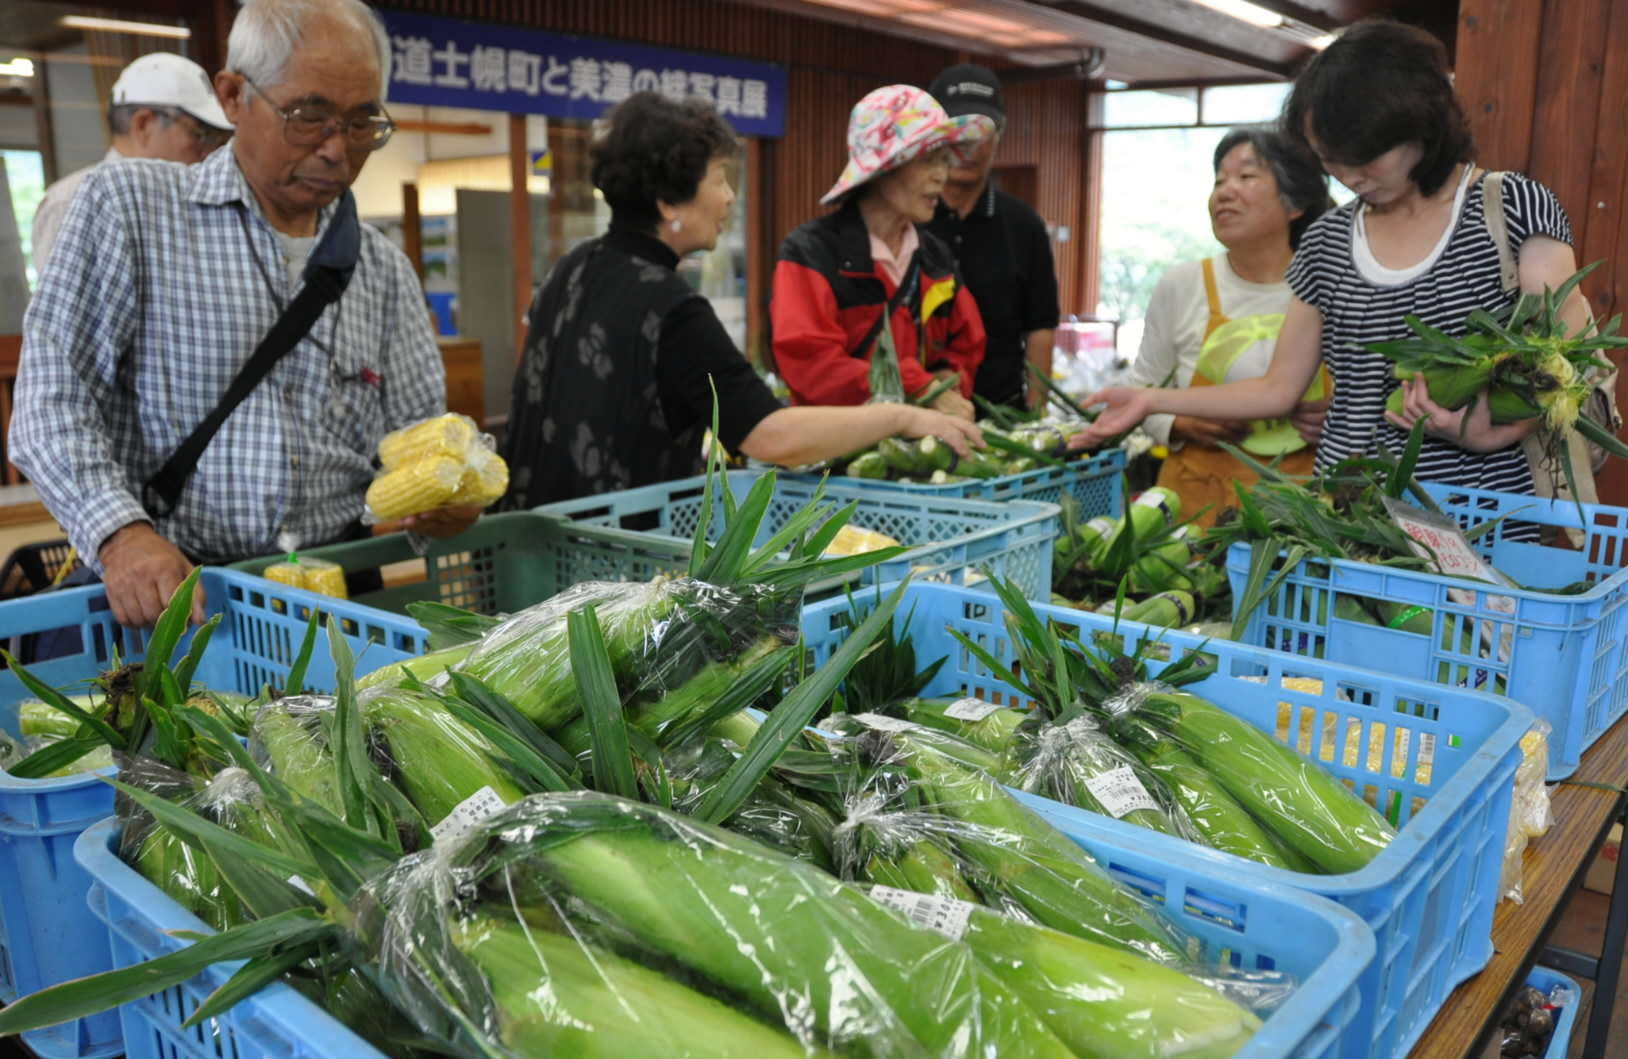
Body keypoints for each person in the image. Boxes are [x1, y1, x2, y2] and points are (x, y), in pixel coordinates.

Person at [10, 0, 475, 628]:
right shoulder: (131, 212)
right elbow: (50, 401)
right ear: (233, 96)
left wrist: (444, 499)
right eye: (309, 116)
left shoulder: (384, 271)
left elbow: (414, 440)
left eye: (363, 122)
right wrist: (119, 534)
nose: (338, 150)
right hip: (178, 600)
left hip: (333, 599)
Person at [1071, 20, 1591, 508]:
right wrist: (1150, 400)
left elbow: (1561, 360)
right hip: (1349, 517)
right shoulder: (1328, 240)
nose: (1348, 176)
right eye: (1330, 160)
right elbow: (1278, 388)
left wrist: (1491, 428)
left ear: (1421, 124)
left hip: (1487, 513)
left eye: (1364, 157)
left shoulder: (1512, 208)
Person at [499, 92, 982, 509]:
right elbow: (770, 436)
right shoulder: (672, 306)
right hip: (615, 563)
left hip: (539, 537)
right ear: (669, 202)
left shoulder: (571, 267)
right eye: (719, 180)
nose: (730, 198)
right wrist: (904, 415)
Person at [1129, 127, 1332, 526]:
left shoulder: (1331, 287)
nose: (1224, 191)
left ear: (1295, 204)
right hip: (1192, 511)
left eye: (1246, 176)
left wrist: (1338, 422)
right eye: (1219, 179)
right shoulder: (1182, 284)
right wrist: (1179, 423)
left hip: (1299, 517)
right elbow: (1142, 391)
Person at [771, 85, 992, 419]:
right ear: (884, 168)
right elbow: (811, 365)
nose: (941, 176)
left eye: (945, 161)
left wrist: (948, 382)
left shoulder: (935, 257)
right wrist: (917, 386)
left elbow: (965, 343)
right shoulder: (811, 252)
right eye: (929, 160)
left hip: (918, 453)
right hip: (833, 455)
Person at [925, 64, 1061, 413]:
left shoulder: (1024, 224)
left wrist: (1035, 413)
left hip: (1001, 414)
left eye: (981, 129)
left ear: (999, 134)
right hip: (915, 415)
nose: (968, 143)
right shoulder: (908, 218)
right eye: (957, 128)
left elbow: (1040, 327)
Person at [32, 52, 234, 268]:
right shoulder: (69, 202)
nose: (209, 152)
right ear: (143, 125)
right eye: (200, 134)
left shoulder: (192, 199)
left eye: (217, 139)